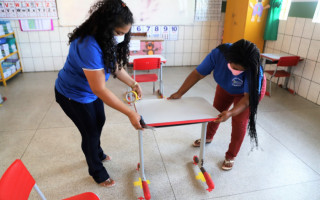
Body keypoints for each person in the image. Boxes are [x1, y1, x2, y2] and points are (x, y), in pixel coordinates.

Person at [55, 0, 142, 187]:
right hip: (72, 95)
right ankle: (97, 171)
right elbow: (99, 89)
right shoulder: (88, 44)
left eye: (124, 34)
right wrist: (130, 112)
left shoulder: (105, 38)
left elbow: (115, 66)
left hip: (88, 93)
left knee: (99, 120)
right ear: (106, 26)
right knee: (90, 133)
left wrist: (133, 83)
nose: (120, 37)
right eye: (118, 33)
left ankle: (98, 152)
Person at [169, 39, 266, 170]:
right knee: (216, 111)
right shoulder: (218, 54)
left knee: (239, 122)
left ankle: (231, 155)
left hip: (248, 95)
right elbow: (198, 74)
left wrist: (231, 113)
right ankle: (208, 137)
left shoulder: (254, 69)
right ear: (228, 59)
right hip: (225, 85)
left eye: (239, 70)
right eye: (234, 67)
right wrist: (180, 93)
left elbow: (247, 99)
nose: (235, 71)